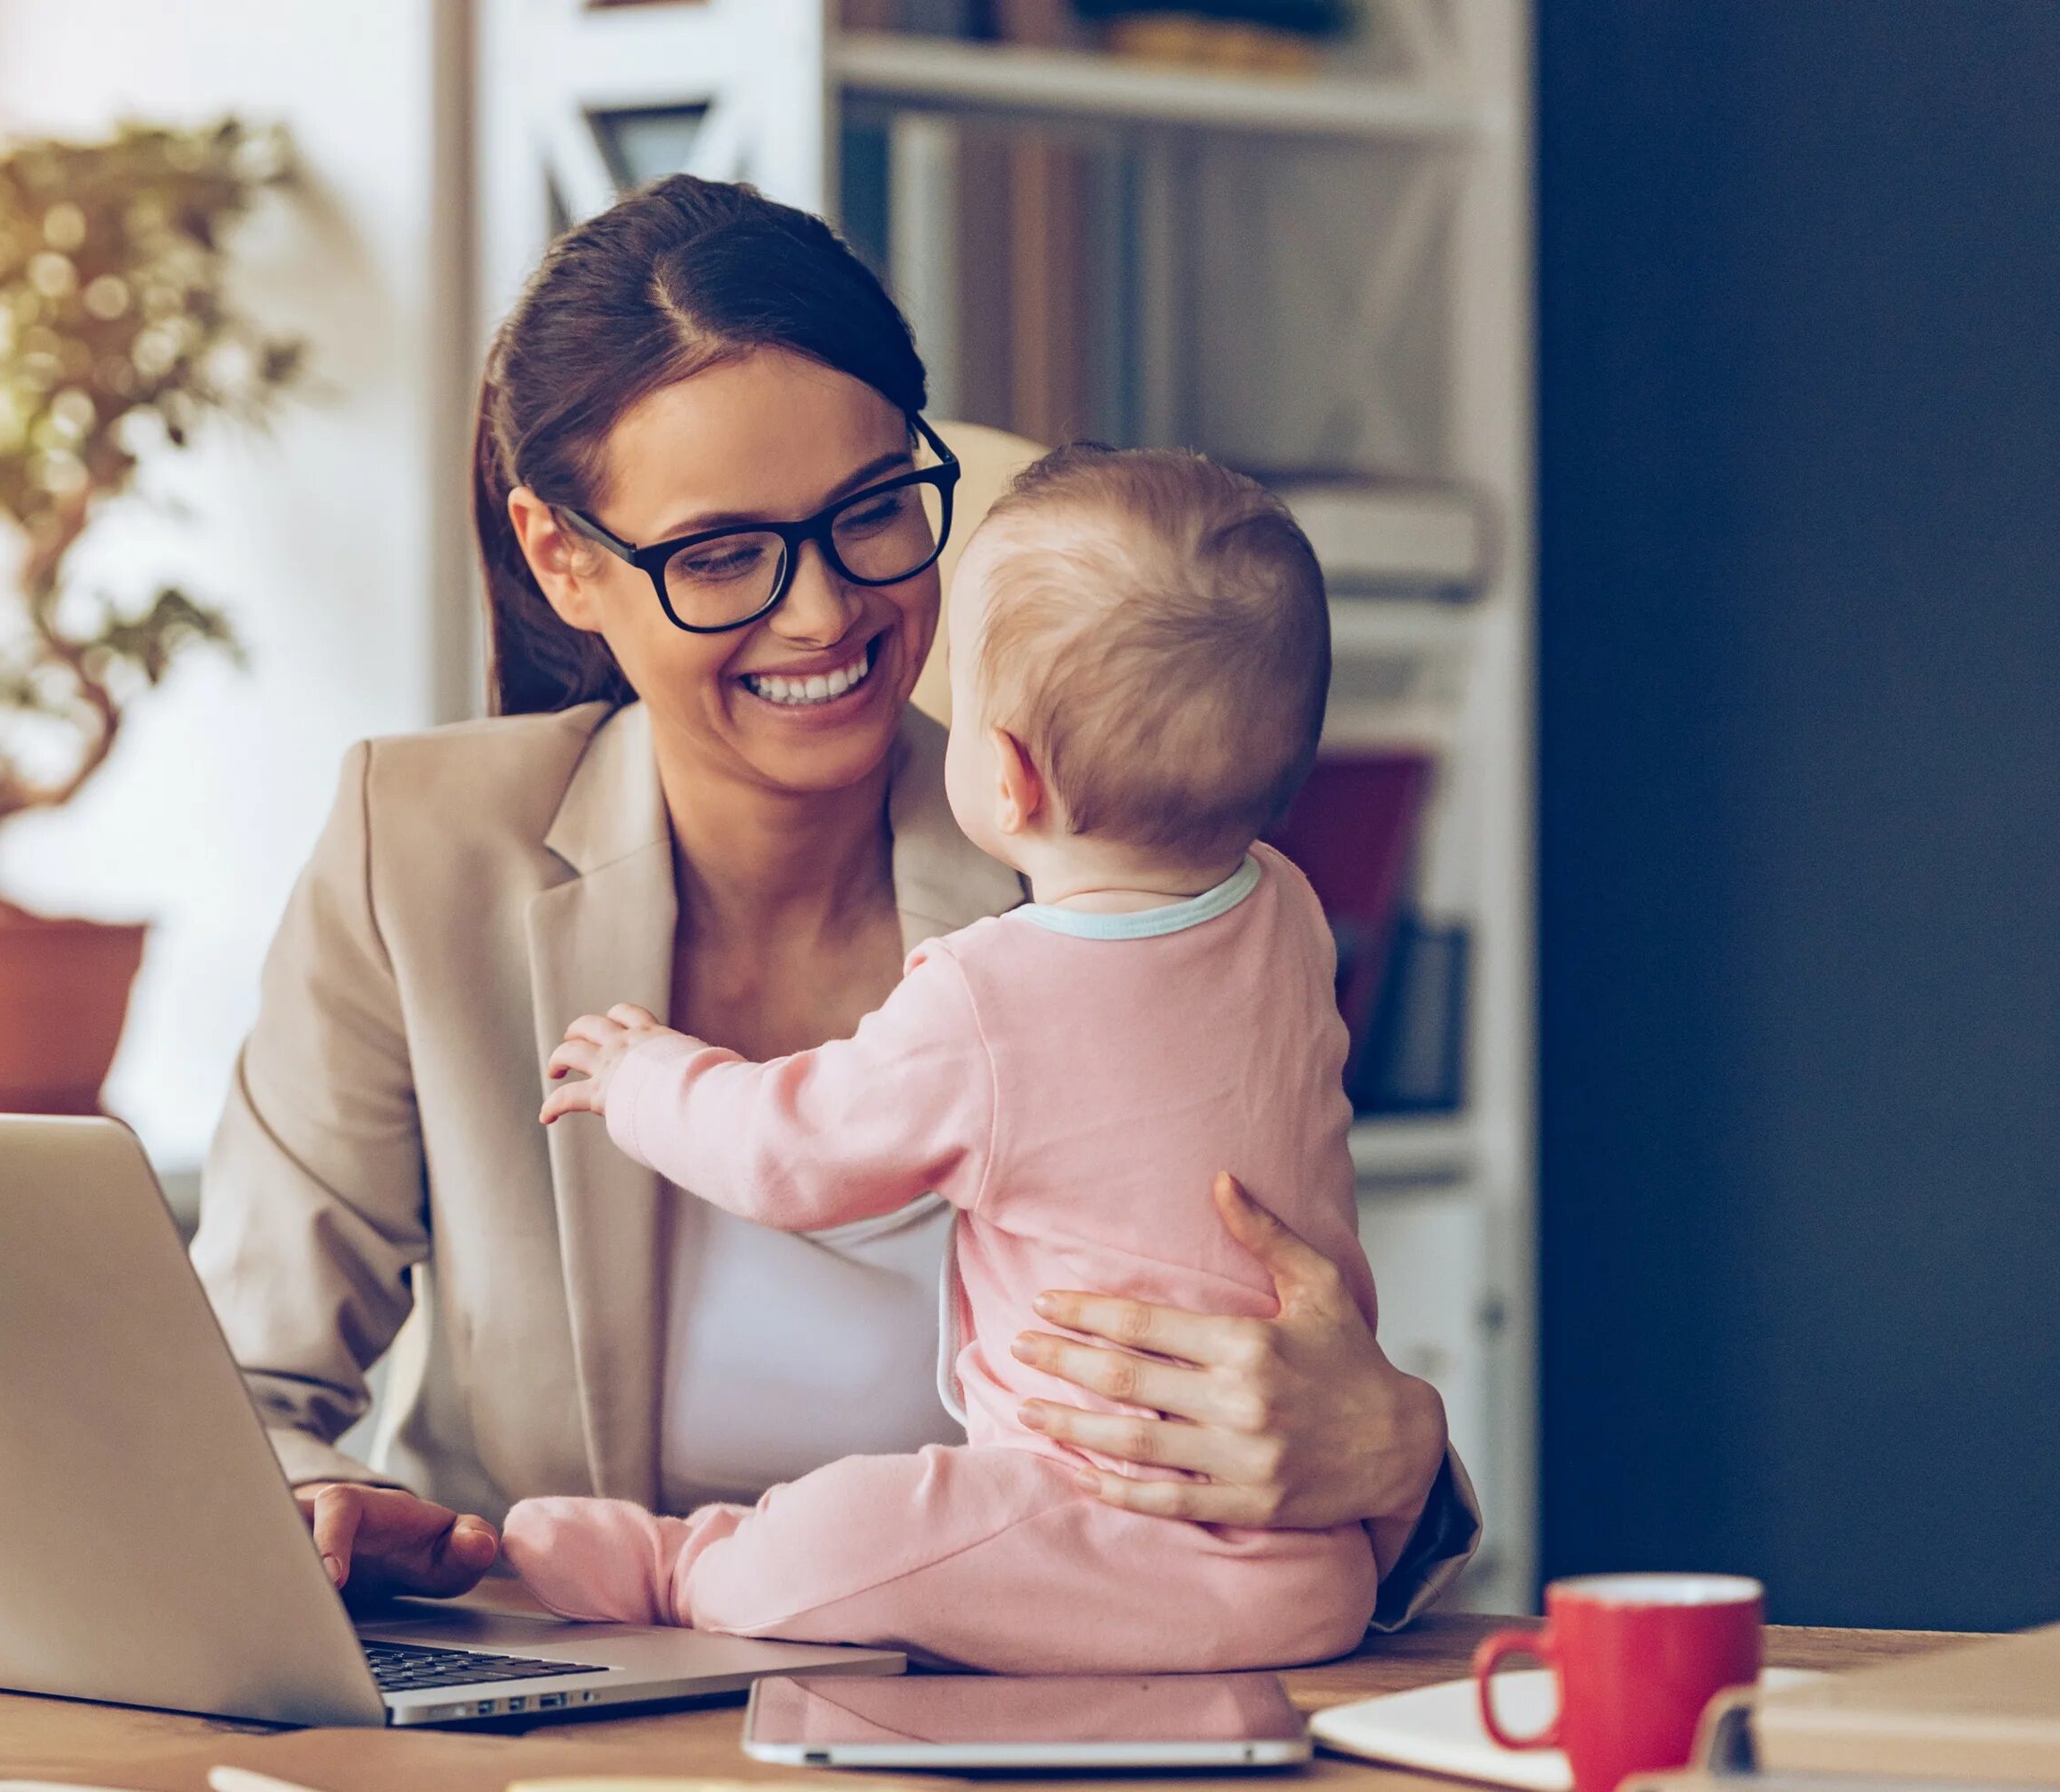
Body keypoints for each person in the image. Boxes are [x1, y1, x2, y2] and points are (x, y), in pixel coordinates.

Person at [189, 174, 1478, 1621]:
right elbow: (236, 1387)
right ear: (565, 559)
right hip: (567, 1706)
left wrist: (1397, 1452)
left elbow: (1289, 1337)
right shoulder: (416, 850)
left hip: (1009, 1709)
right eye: (724, 553)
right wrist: (319, 1509)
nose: (824, 611)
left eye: (872, 512)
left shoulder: (1112, 852)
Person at [502, 446, 1376, 1671]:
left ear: (1006, 776)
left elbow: (790, 1153)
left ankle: (682, 1563)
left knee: (858, 1523)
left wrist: (641, 1075)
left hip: (1094, 1515)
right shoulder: (1287, 914)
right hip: (1310, 1565)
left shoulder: (992, 994)